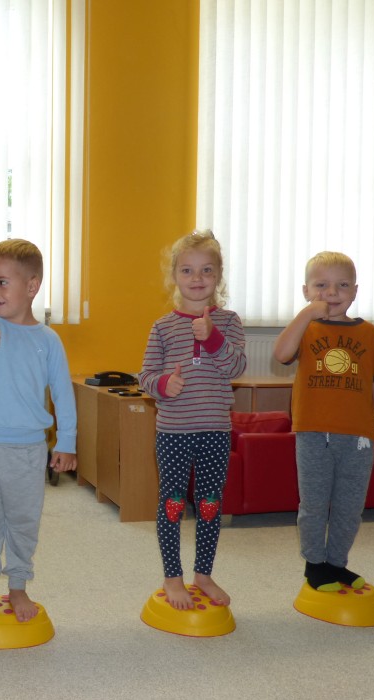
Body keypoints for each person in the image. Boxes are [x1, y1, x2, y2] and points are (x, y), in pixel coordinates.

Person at [0, 239, 77, 623]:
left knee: (23, 520)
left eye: (1, 282)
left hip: (27, 449)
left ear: (31, 286)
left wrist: (67, 442)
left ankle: (19, 584)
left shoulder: (48, 340)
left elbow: (63, 394)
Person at [273, 251, 374, 592]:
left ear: (355, 290)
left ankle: (336, 563)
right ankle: (315, 565)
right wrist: (305, 314)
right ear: (306, 291)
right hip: (313, 434)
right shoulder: (306, 329)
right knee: (314, 504)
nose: (331, 293)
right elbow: (281, 354)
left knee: (349, 507)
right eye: (321, 286)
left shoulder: (372, 335)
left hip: (358, 437)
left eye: (342, 285)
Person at [138, 230, 246, 610]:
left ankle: (203, 574)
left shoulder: (229, 322)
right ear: (175, 276)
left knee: (210, 503)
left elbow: (236, 367)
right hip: (173, 432)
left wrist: (213, 337)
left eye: (206, 270)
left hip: (215, 431)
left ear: (219, 276)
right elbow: (145, 376)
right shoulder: (162, 326)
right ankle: (172, 577)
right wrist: (164, 384)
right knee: (171, 503)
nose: (197, 278)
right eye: (187, 270)